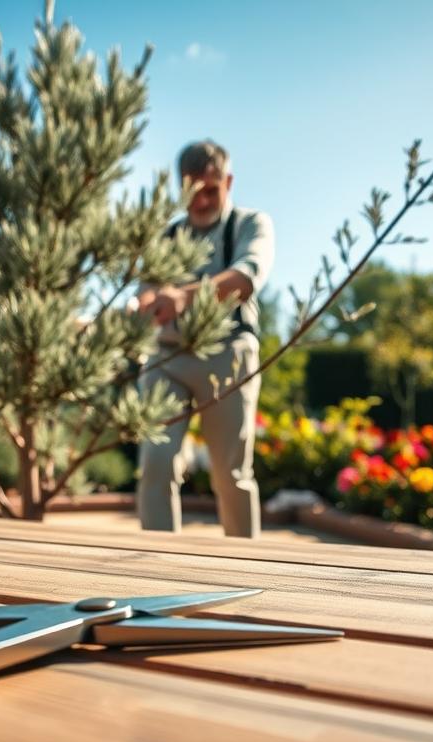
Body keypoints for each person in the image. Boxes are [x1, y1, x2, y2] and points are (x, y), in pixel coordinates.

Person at [136, 140, 275, 538]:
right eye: (193, 191)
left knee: (231, 472)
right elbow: (147, 296)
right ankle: (157, 570)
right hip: (168, 358)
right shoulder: (164, 238)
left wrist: (182, 296)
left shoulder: (250, 224)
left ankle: (242, 569)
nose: (201, 201)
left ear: (228, 182)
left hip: (228, 355)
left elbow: (246, 279)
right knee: (155, 465)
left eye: (211, 190)